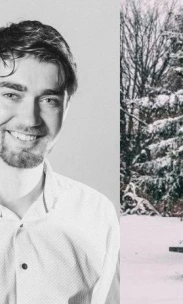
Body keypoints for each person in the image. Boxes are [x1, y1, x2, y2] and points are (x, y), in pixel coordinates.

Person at [0, 20, 119, 304]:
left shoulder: (97, 215)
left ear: (66, 107)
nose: (30, 119)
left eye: (49, 100)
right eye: (11, 94)